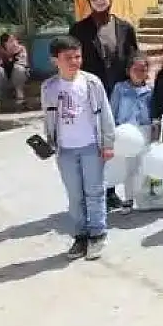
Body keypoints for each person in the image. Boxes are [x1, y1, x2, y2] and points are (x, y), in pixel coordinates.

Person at [40, 35, 115, 261]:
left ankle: (97, 234)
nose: (74, 61)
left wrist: (108, 143)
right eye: (68, 58)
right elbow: (49, 118)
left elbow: (106, 115)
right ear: (56, 60)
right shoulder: (49, 87)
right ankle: (81, 235)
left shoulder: (92, 83)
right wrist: (49, 143)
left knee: (95, 191)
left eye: (78, 56)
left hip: (91, 146)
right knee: (75, 195)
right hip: (66, 150)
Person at [69, 0, 138, 210]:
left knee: (116, 143)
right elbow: (73, 61)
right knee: (95, 145)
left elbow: (133, 58)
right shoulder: (79, 30)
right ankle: (97, 193)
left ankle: (113, 191)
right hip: (91, 94)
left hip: (120, 94)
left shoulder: (125, 28)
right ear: (89, 1)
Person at [109, 52, 153, 211]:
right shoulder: (120, 88)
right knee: (128, 166)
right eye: (136, 69)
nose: (140, 73)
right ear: (129, 70)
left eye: (143, 69)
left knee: (144, 164)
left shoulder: (150, 89)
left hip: (145, 130)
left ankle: (144, 196)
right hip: (126, 132)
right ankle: (128, 198)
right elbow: (112, 111)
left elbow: (154, 113)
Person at [0, 32, 29, 105]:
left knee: (18, 68)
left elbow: (22, 62)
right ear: (5, 43)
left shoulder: (21, 49)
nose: (14, 43)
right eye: (11, 41)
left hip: (18, 74)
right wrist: (5, 60)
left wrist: (12, 59)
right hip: (4, 74)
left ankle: (19, 95)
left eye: (15, 40)